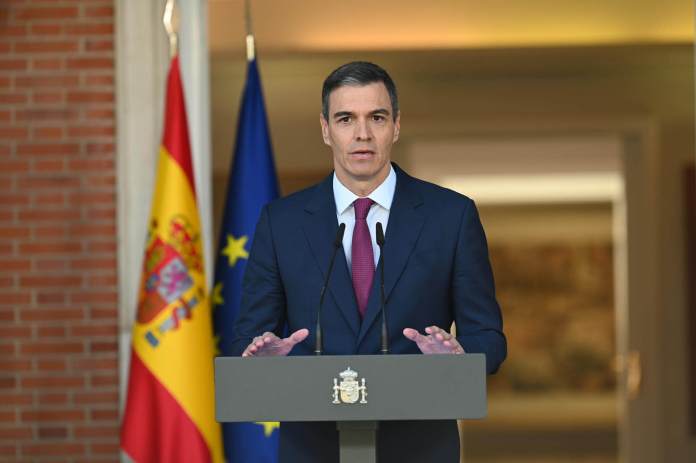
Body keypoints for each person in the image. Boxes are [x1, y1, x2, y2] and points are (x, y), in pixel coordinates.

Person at [230, 61, 506, 462]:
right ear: (326, 129)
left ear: (395, 125)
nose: (362, 133)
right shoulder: (282, 223)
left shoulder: (452, 216)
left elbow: (490, 338)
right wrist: (262, 356)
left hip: (420, 448)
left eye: (376, 117)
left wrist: (460, 356)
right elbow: (248, 337)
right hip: (313, 449)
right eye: (346, 119)